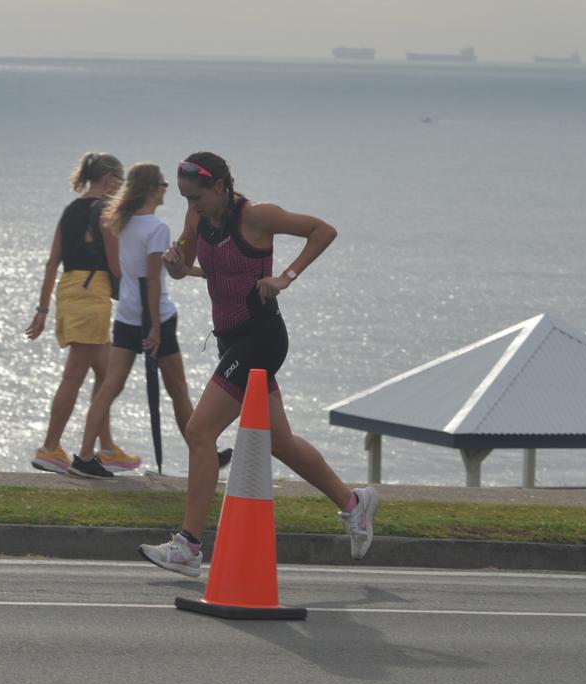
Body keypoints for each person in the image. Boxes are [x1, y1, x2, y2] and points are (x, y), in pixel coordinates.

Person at [138, 151, 379, 577]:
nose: (190, 206)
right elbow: (180, 266)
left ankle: (189, 546)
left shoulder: (257, 216)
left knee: (200, 430)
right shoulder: (197, 218)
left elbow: (323, 231)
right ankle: (354, 503)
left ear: (220, 187)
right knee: (279, 441)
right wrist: (174, 265)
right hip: (231, 341)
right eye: (183, 199)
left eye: (196, 197)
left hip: (262, 339)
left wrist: (286, 276)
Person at [67, 163, 231, 478]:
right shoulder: (156, 228)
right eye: (164, 184)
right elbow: (153, 281)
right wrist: (155, 327)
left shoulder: (121, 222)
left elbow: (125, 270)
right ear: (153, 188)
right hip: (157, 317)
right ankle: (204, 453)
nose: (168, 189)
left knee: (109, 387)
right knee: (178, 389)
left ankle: (84, 455)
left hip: (127, 314)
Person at [25, 152, 141, 474]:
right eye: (120, 182)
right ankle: (49, 448)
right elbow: (117, 266)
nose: (121, 189)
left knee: (106, 375)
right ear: (109, 180)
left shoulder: (70, 211)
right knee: (74, 375)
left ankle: (106, 448)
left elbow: (52, 262)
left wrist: (43, 309)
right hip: (93, 293)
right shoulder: (105, 212)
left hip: (70, 289)